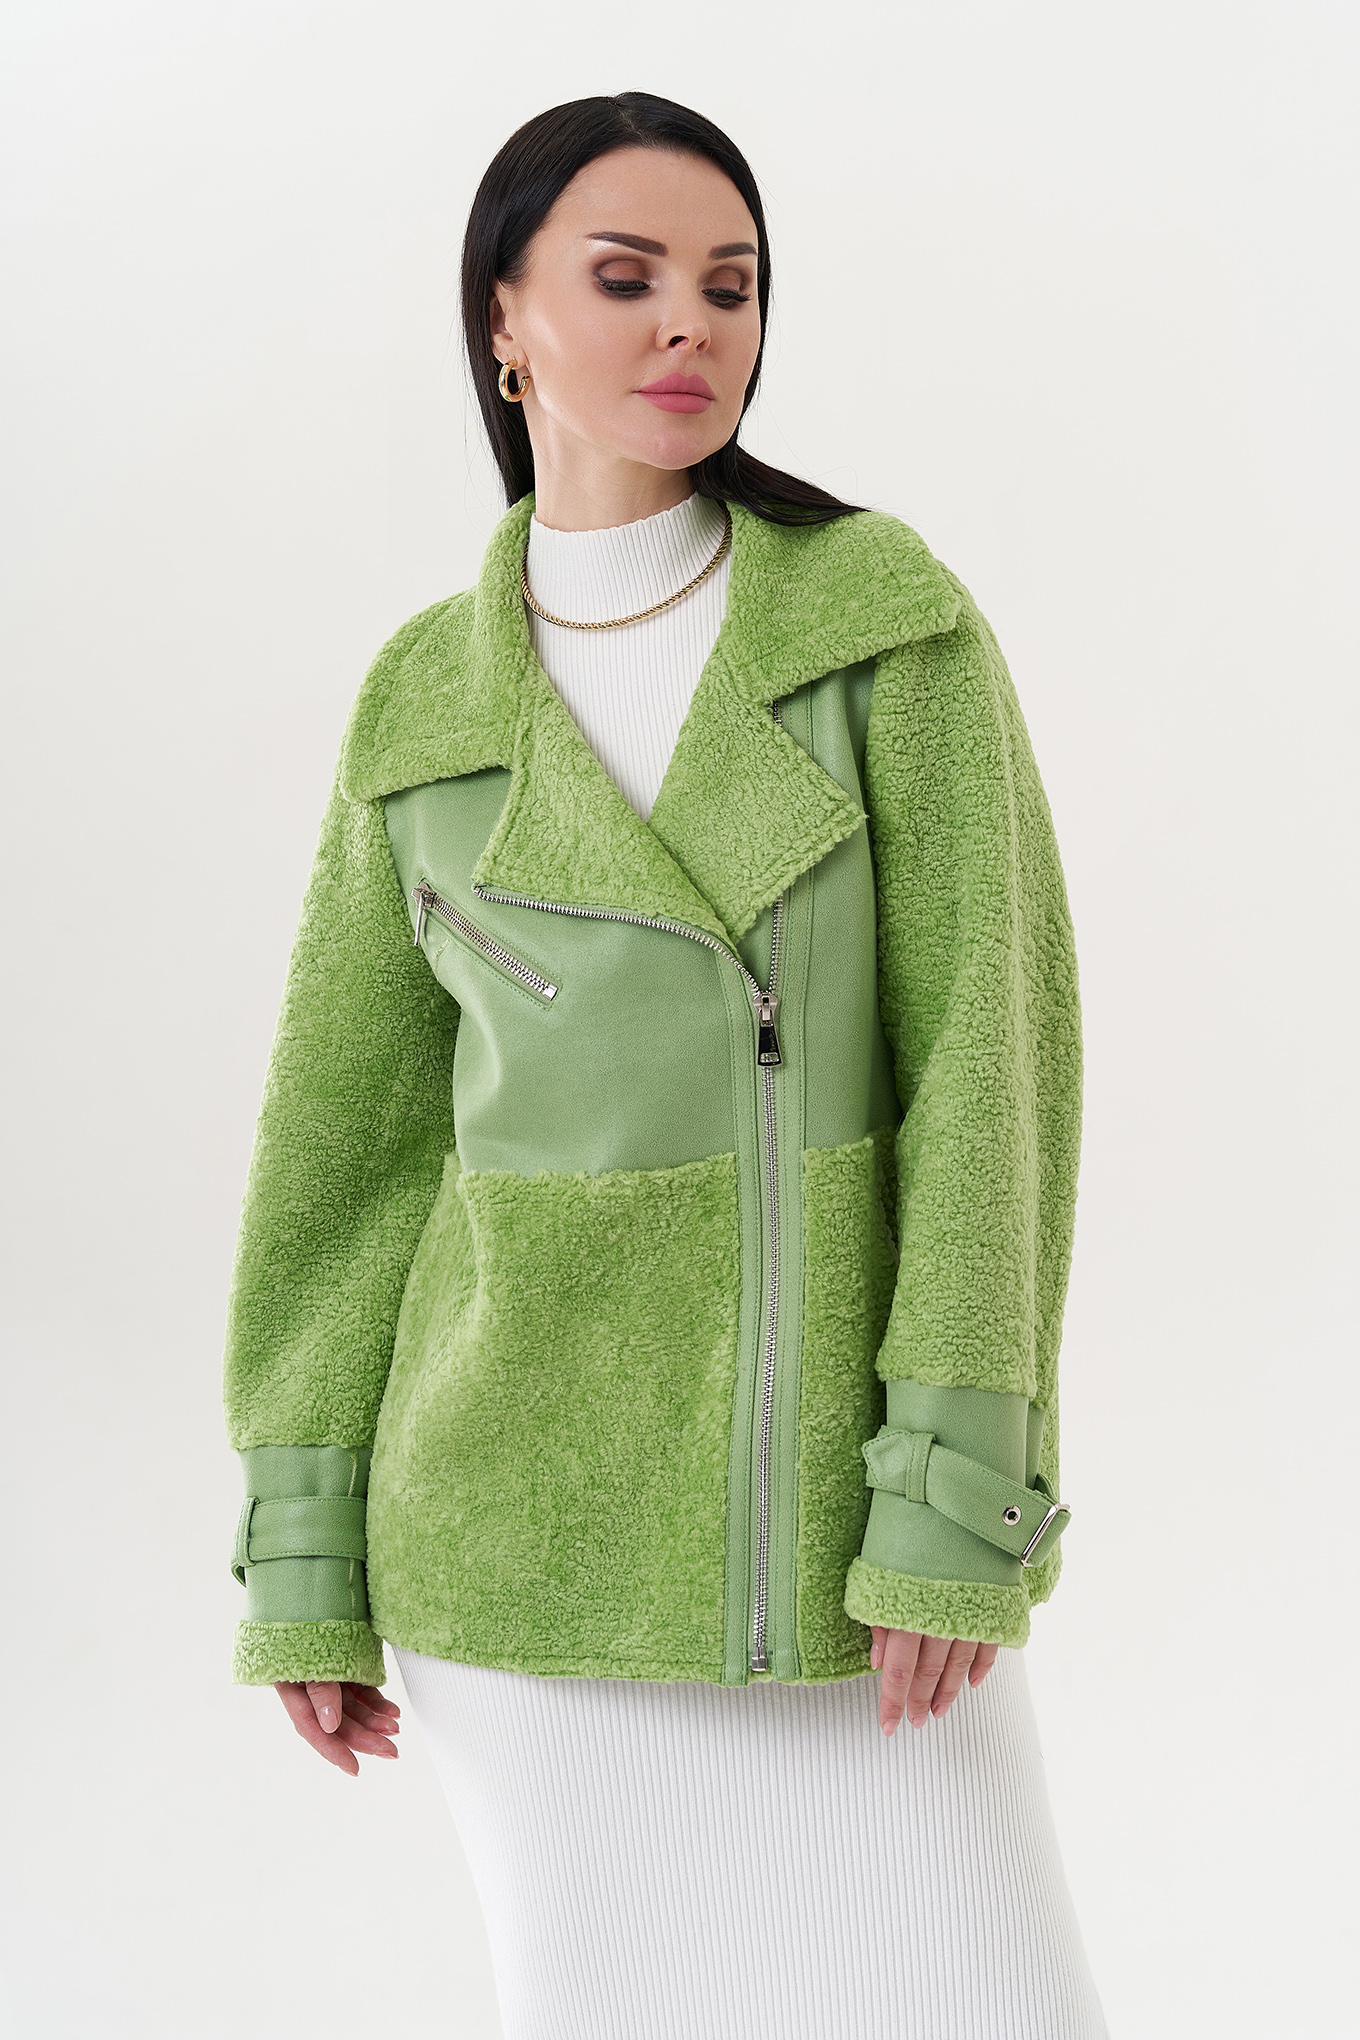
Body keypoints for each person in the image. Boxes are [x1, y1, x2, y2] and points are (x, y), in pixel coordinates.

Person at [223, 90, 1106, 2040]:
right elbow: (344, 1165)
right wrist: (305, 1557)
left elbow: (994, 1078)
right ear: (503, 319)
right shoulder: (422, 702)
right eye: (624, 278)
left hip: (838, 1555)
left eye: (731, 282)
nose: (691, 323)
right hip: (506, 1557)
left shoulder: (880, 630)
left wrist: (950, 1503)